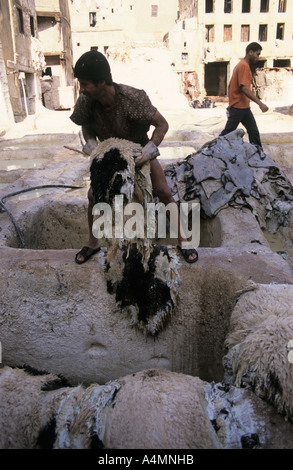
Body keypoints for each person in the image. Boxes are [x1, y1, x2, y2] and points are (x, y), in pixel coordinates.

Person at [70, 50, 198, 264]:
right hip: (110, 156)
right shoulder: (86, 100)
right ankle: (93, 243)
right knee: (93, 195)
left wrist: (150, 150)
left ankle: (183, 240)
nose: (81, 89)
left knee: (164, 192)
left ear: (101, 82)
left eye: (85, 84)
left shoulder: (133, 99)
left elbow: (162, 125)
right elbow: (86, 125)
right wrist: (92, 144)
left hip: (139, 153)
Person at [219, 42, 269, 149]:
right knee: (227, 134)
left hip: (243, 107)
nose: (258, 57)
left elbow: (230, 86)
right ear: (250, 52)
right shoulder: (243, 66)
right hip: (238, 108)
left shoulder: (240, 65)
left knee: (253, 132)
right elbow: (244, 88)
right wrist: (260, 103)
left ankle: (258, 154)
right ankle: (211, 151)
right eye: (257, 54)